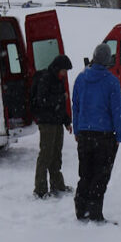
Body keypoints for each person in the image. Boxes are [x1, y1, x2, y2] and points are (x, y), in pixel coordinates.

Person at [71, 44, 121, 222]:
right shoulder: (111, 82)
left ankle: (81, 210)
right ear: (108, 60)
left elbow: (76, 107)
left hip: (85, 134)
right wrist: (119, 135)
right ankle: (94, 213)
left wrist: (77, 129)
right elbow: (116, 111)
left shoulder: (80, 79)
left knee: (85, 173)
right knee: (100, 175)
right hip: (104, 136)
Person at [32, 54, 73, 198]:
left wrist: (67, 121)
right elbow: (42, 101)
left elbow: (60, 106)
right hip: (46, 123)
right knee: (46, 155)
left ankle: (57, 185)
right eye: (64, 70)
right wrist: (61, 98)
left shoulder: (58, 80)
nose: (65, 74)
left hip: (57, 122)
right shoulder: (45, 78)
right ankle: (40, 190)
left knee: (56, 155)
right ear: (57, 68)